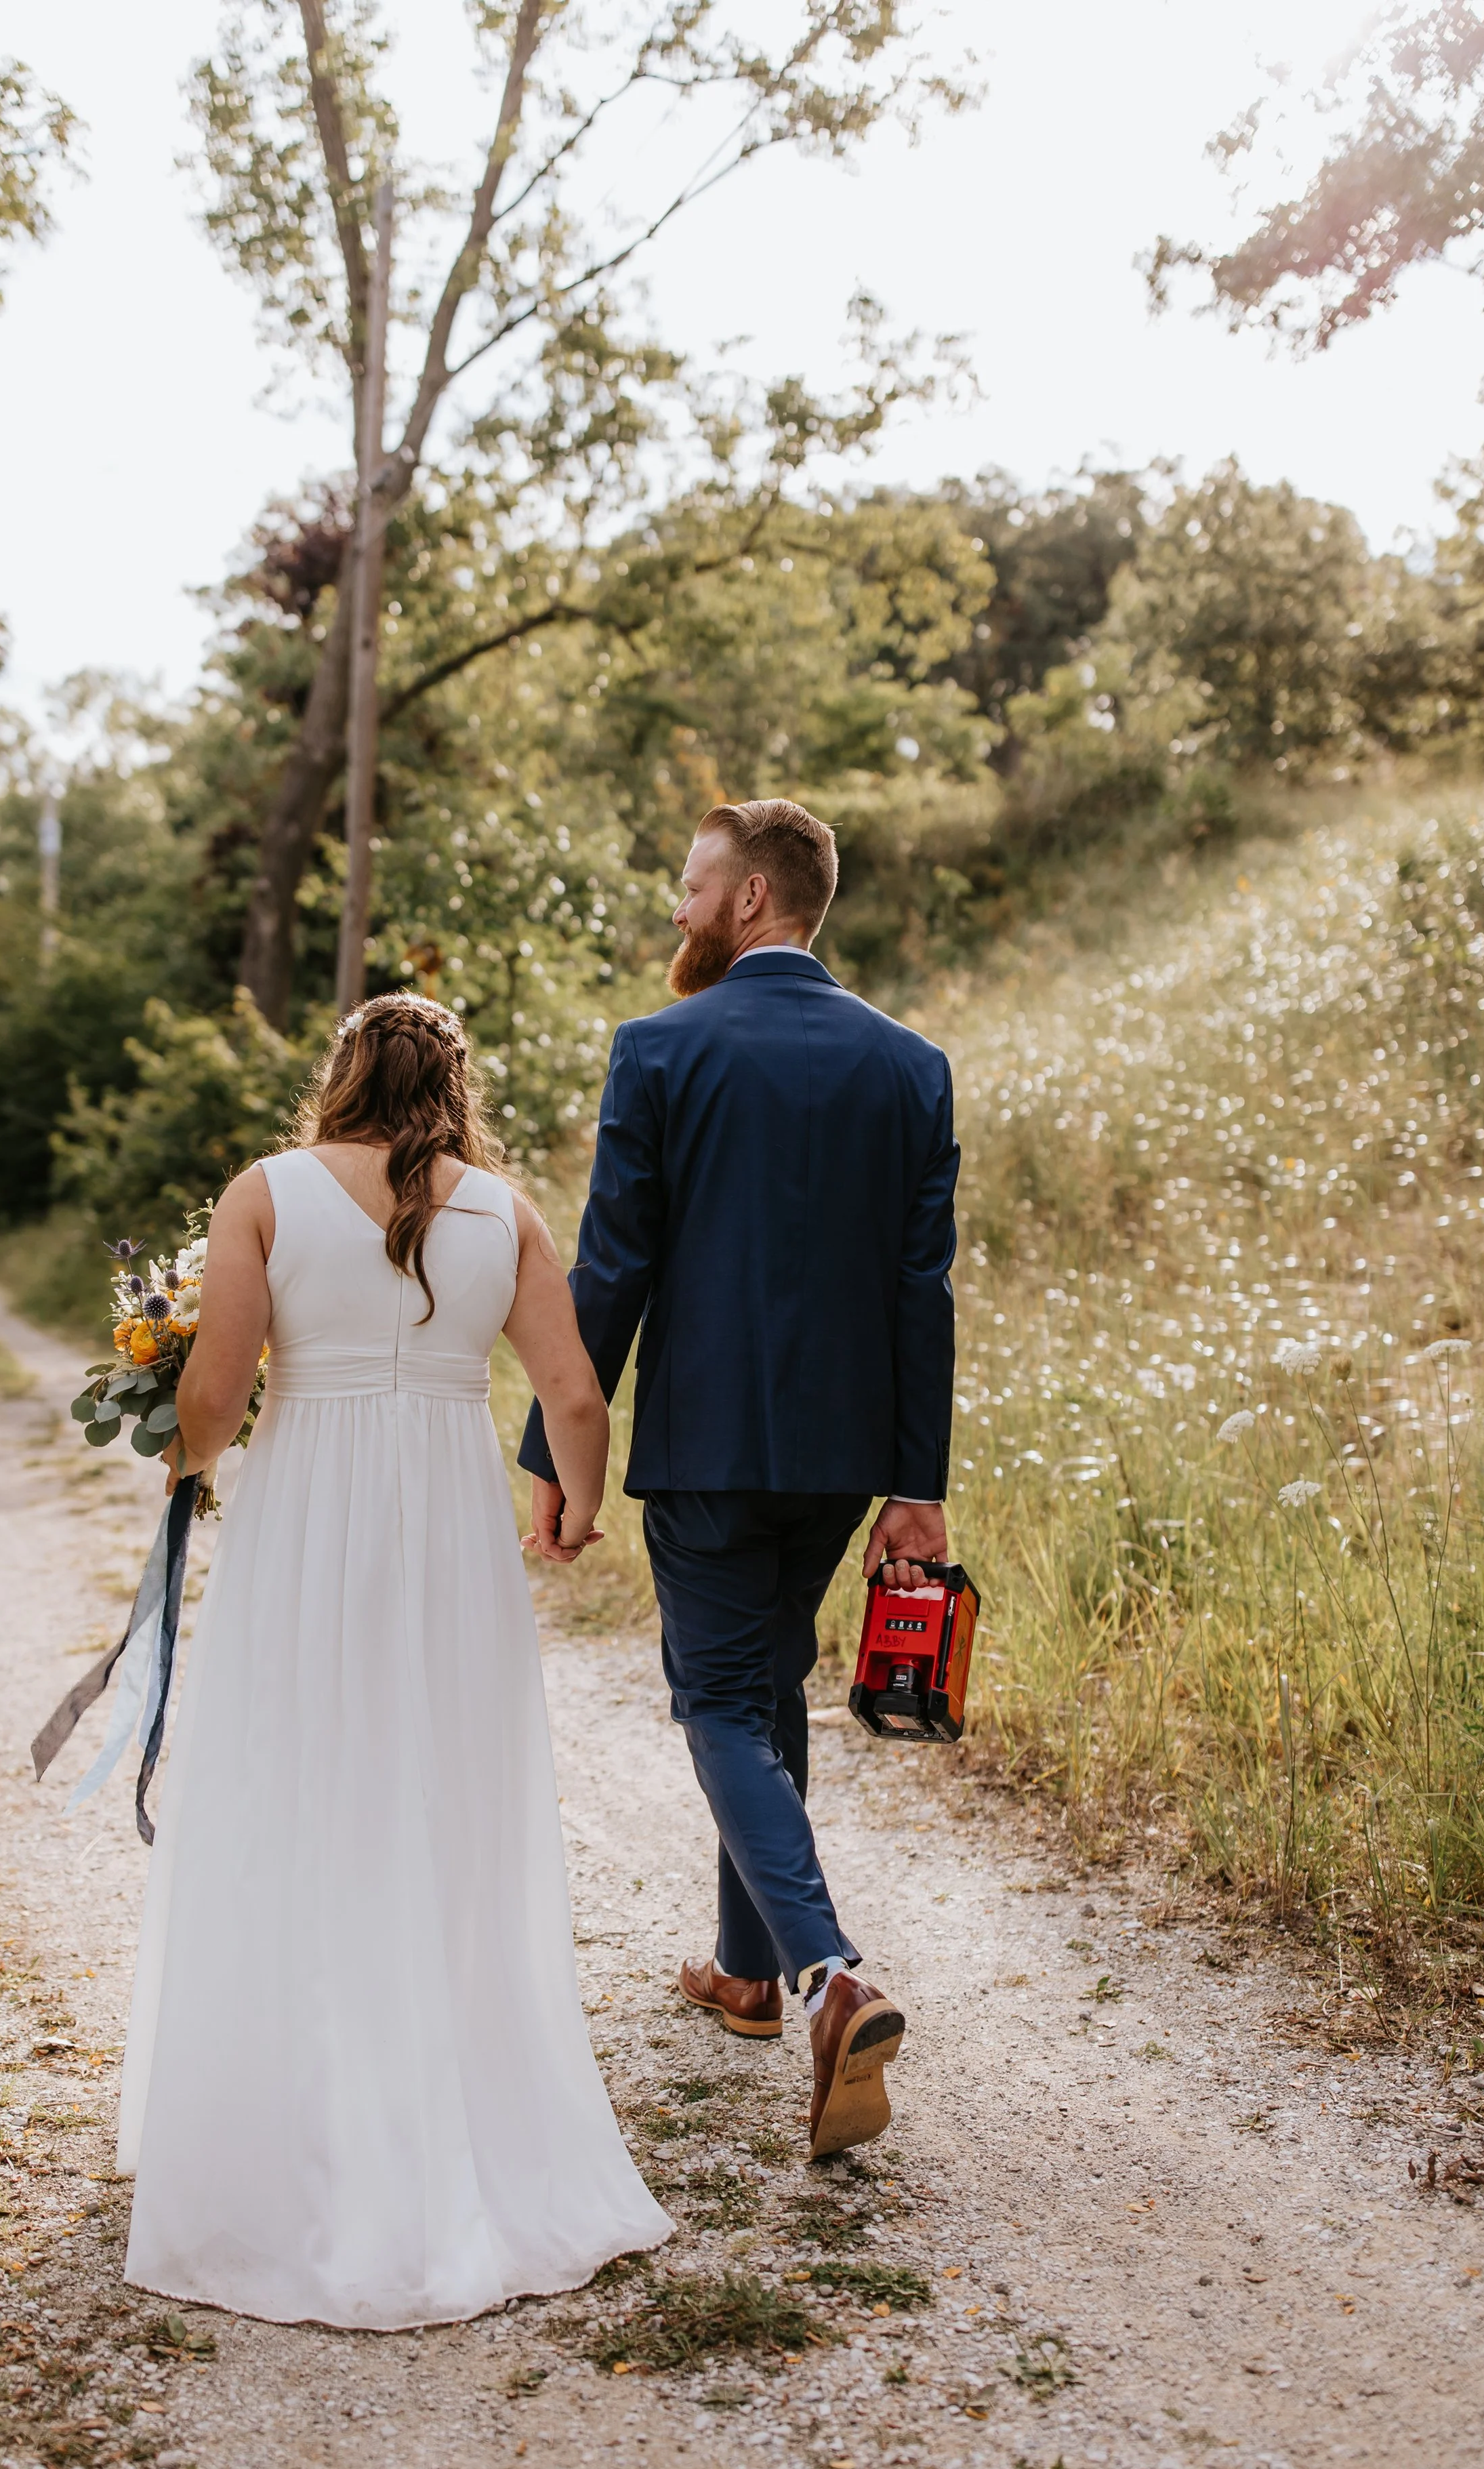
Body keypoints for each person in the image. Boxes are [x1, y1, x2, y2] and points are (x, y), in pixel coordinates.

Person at [117, 994, 669, 2329]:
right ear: (454, 1084)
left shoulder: (266, 1192)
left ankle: (290, 2121)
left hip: (311, 1520)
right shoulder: (503, 1211)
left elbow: (214, 1393)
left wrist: (184, 1468)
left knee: (295, 1785)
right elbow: (575, 1394)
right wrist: (577, 1506)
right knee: (442, 1798)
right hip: (448, 1538)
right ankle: (460, 2111)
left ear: (343, 1074)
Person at [520, 798, 957, 2161]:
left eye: (692, 885)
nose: (677, 907)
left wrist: (551, 1454)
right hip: (842, 1457)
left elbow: (613, 1265)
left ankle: (827, 1974)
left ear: (754, 898)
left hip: (708, 1444)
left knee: (713, 1697)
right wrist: (914, 1481)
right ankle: (745, 1973)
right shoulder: (909, 1065)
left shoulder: (658, 1049)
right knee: (765, 1686)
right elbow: (917, 1288)